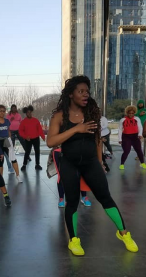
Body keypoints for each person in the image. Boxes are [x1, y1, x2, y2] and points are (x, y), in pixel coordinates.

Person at [47, 75, 138, 256]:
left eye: (87, 91)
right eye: (80, 91)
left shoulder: (91, 113)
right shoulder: (59, 116)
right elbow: (50, 141)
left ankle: (124, 234)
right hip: (69, 163)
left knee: (106, 198)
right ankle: (74, 241)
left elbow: (97, 140)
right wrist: (76, 129)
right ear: (71, 94)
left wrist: (100, 162)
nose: (85, 94)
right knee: (72, 202)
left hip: (90, 163)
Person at [0, 105, 22, 183]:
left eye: (3, 111)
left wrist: (9, 139)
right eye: (0, 111)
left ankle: (18, 175)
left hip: (6, 141)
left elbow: (9, 131)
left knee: (13, 158)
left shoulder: (7, 121)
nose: (2, 112)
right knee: (0, 161)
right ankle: (0, 179)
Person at [118, 106, 146, 170]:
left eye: (132, 113)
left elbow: (140, 127)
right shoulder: (123, 120)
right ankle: (122, 164)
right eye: (129, 113)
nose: (131, 114)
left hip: (135, 136)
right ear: (127, 113)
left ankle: (142, 163)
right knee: (126, 151)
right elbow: (120, 129)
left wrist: (139, 134)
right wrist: (120, 139)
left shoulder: (137, 119)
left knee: (139, 150)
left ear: (134, 113)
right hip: (126, 137)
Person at [19, 105, 45, 171]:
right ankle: (24, 165)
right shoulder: (23, 122)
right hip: (28, 139)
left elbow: (40, 129)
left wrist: (43, 136)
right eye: (28, 112)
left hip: (36, 138)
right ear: (26, 113)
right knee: (27, 152)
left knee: (37, 151)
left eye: (30, 112)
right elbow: (20, 131)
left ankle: (37, 164)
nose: (29, 113)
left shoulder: (36, 120)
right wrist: (25, 137)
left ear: (32, 112)